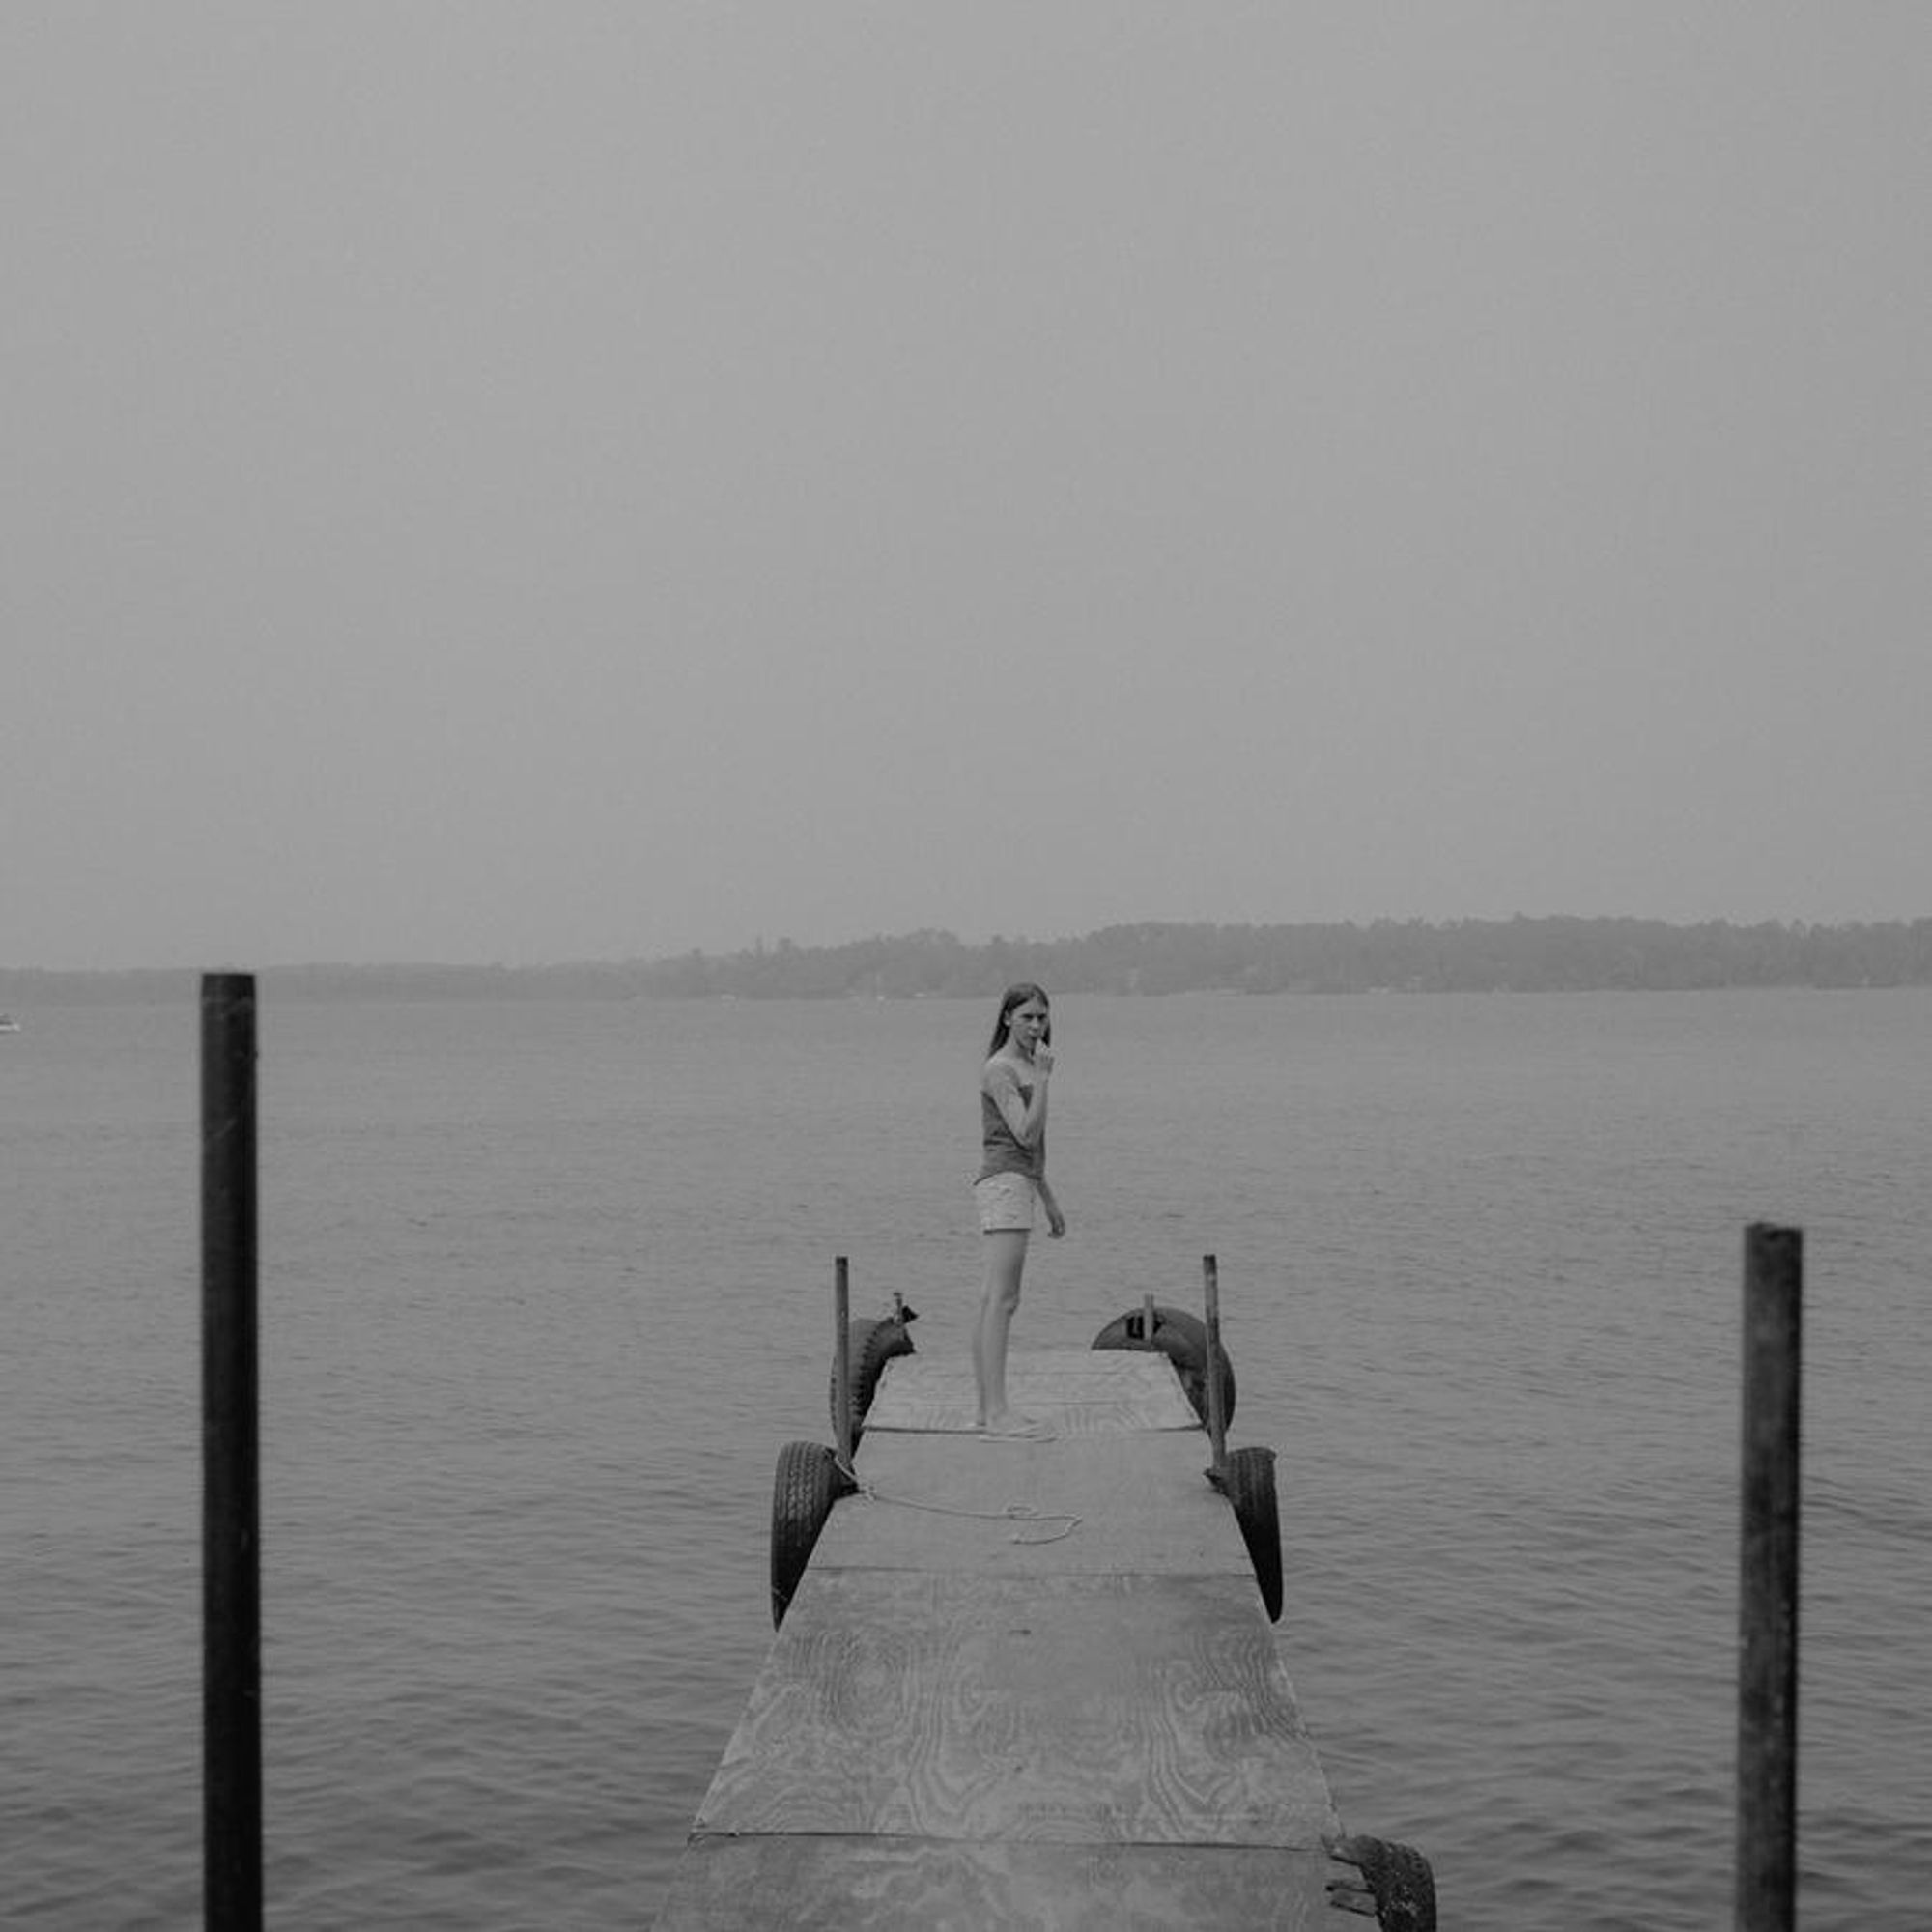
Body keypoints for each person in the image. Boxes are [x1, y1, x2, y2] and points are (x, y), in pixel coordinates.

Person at [971, 982, 1065, 1438]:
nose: (1036, 1025)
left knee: (993, 1298)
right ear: (1007, 1017)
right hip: (1004, 1185)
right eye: (1026, 1016)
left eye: (1042, 1017)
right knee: (1002, 1300)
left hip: (1019, 1183)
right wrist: (1044, 1080)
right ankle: (996, 1413)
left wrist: (1048, 1200)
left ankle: (986, 1409)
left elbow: (1032, 1148)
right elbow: (1024, 1135)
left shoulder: (1025, 1068)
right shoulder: (1001, 1069)